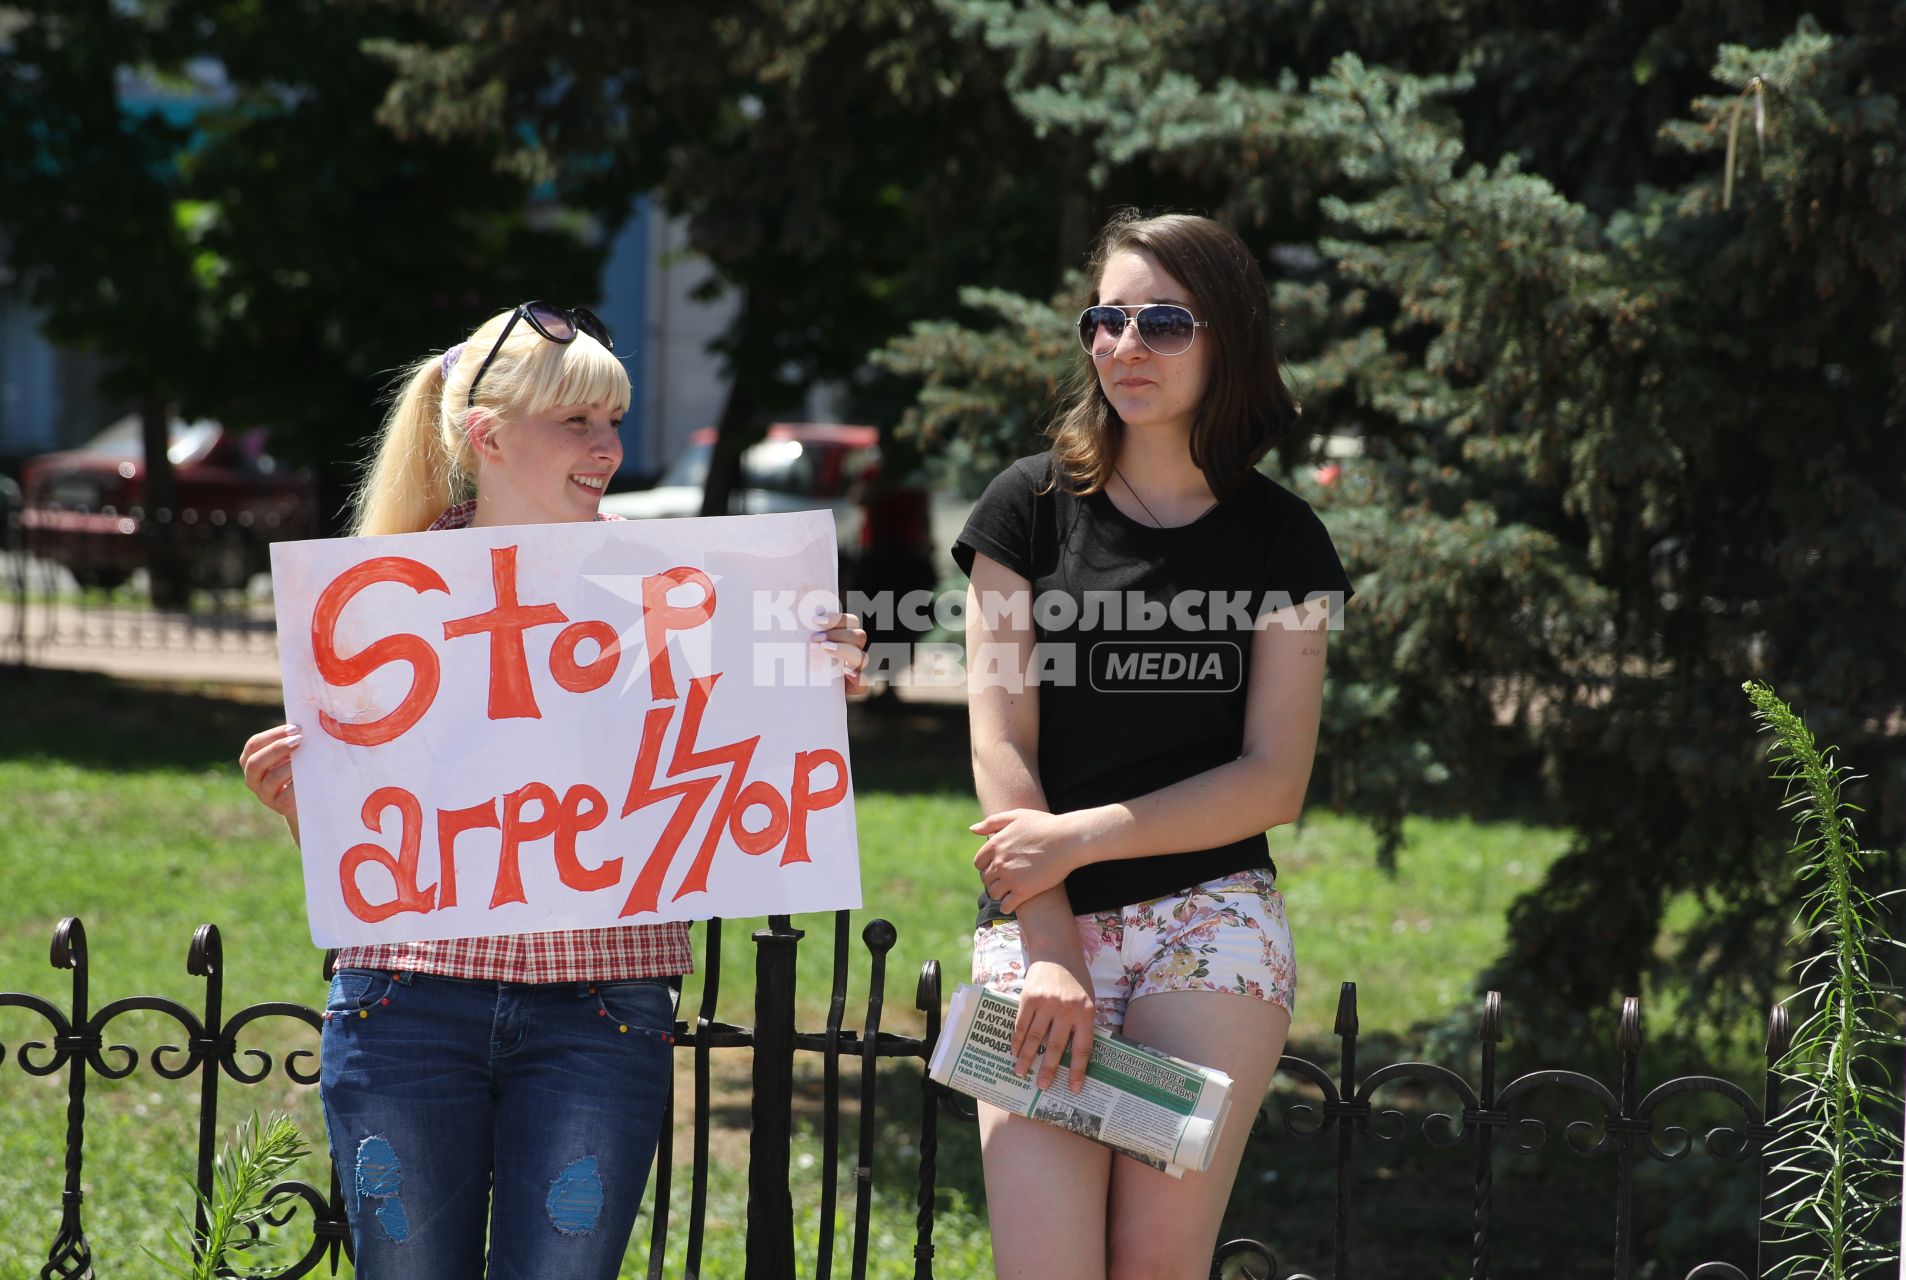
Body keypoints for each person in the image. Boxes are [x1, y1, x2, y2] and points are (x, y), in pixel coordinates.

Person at [237, 302, 868, 1279]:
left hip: (599, 1011)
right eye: (578, 421)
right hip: (406, 1003)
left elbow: (747, 741)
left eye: (613, 420)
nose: (609, 446)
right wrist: (302, 805)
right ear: (489, 434)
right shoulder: (377, 597)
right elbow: (381, 853)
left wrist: (808, 674)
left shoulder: (678, 582)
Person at [954, 213, 1352, 1280]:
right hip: (1040, 917)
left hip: (1210, 924)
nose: (1127, 344)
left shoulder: (1283, 540)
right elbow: (999, 738)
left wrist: (1076, 837)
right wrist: (1048, 941)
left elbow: (1275, 777)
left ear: (1227, 340)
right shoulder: (1024, 510)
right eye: (1108, 319)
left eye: (1164, 321)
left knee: (1152, 1269)